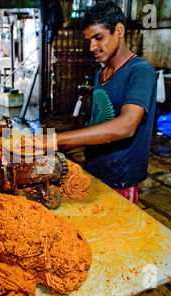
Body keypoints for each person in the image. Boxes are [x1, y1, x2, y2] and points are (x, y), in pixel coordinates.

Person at [54, 1, 157, 205]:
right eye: (89, 40)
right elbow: (99, 123)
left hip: (120, 178)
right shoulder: (101, 75)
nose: (92, 47)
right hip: (94, 169)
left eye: (98, 37)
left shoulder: (141, 71)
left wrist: (58, 140)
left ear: (119, 30)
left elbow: (126, 126)